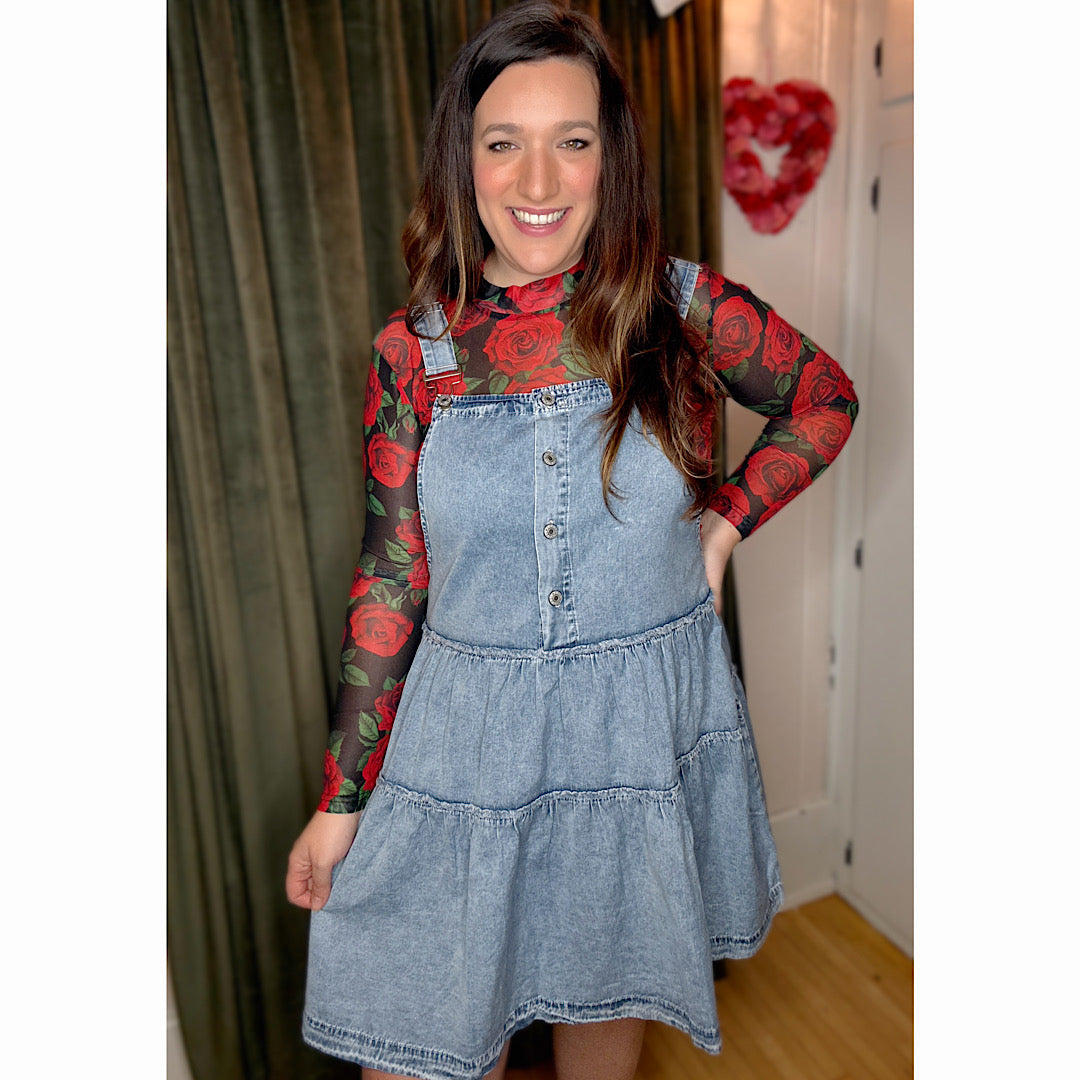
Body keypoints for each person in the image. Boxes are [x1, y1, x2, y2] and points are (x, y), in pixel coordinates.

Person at [286, 3, 858, 1078]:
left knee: (604, 1036)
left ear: (612, 158)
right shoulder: (416, 353)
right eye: (504, 143)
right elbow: (391, 582)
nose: (538, 181)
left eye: (573, 141)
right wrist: (340, 800)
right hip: (458, 757)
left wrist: (724, 526)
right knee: (414, 1053)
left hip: (627, 750)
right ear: (464, 161)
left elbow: (824, 398)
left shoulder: (681, 307)